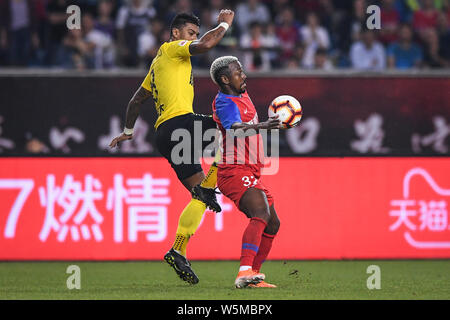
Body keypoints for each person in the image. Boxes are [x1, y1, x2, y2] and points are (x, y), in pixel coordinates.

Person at [109, 10, 235, 285]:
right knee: (234, 132)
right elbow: (207, 45)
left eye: (194, 33)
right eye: (190, 33)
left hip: (165, 135)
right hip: (182, 125)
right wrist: (225, 23)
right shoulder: (171, 49)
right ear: (176, 33)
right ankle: (212, 177)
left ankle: (177, 250)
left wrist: (127, 132)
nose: (194, 38)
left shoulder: (156, 66)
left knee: (201, 196)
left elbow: (135, 100)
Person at [210, 56, 281, 288]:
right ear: (225, 79)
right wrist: (263, 126)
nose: (244, 75)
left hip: (250, 169)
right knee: (260, 212)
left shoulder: (242, 93)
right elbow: (236, 130)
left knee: (272, 224)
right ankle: (243, 272)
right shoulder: (224, 102)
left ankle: (253, 277)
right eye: (238, 72)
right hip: (233, 170)